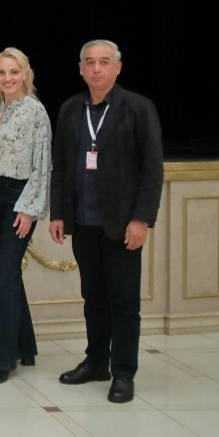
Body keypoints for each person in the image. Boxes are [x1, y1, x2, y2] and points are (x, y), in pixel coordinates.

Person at [49, 40, 163, 403]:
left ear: (117, 68)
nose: (96, 68)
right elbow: (61, 166)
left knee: (124, 301)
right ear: (81, 69)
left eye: (103, 62)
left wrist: (141, 219)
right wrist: (58, 213)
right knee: (93, 298)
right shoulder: (70, 109)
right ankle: (97, 361)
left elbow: (152, 170)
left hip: (122, 224)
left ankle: (123, 373)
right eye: (89, 62)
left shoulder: (138, 108)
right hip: (83, 222)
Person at [0, 47, 52, 384]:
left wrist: (29, 208)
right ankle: (26, 346)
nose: (7, 78)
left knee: (5, 277)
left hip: (18, 197)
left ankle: (1, 360)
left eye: (13, 71)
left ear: (25, 74)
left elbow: (42, 164)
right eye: (1, 72)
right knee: (7, 274)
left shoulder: (35, 110)